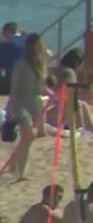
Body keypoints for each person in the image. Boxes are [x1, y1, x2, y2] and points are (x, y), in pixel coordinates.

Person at [5, 33, 49, 180]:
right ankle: (20, 174)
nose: (38, 48)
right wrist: (11, 108)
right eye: (36, 45)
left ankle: (14, 164)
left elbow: (42, 88)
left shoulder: (40, 63)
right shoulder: (20, 64)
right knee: (27, 136)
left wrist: (55, 93)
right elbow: (14, 88)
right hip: (21, 103)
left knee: (29, 139)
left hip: (36, 104)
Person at [0, 22, 25, 95]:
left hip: (12, 82)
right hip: (33, 81)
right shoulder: (31, 42)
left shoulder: (4, 46)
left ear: (7, 32)